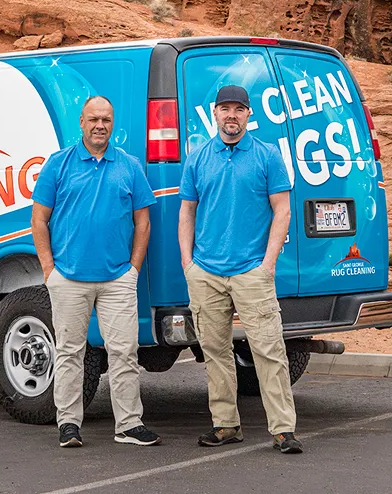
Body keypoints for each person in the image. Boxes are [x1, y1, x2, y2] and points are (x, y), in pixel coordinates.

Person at [178, 84, 303, 454]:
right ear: (214, 113)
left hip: (252, 271)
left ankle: (283, 430)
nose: (231, 115)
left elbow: (282, 210)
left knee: (269, 350)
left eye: (239, 109)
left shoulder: (267, 157)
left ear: (249, 115)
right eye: (225, 109)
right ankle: (226, 425)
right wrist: (188, 264)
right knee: (215, 352)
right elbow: (187, 210)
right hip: (206, 272)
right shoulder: (199, 158)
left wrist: (268, 265)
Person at [31, 95, 160, 448]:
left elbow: (143, 222)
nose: (100, 125)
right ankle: (69, 425)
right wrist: (49, 269)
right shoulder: (58, 165)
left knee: (125, 353)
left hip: (117, 279)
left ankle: (129, 425)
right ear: (82, 123)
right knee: (70, 353)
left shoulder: (129, 166)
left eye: (106, 119)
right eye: (93, 119)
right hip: (69, 279)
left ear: (112, 123)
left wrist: (132, 269)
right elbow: (39, 220)